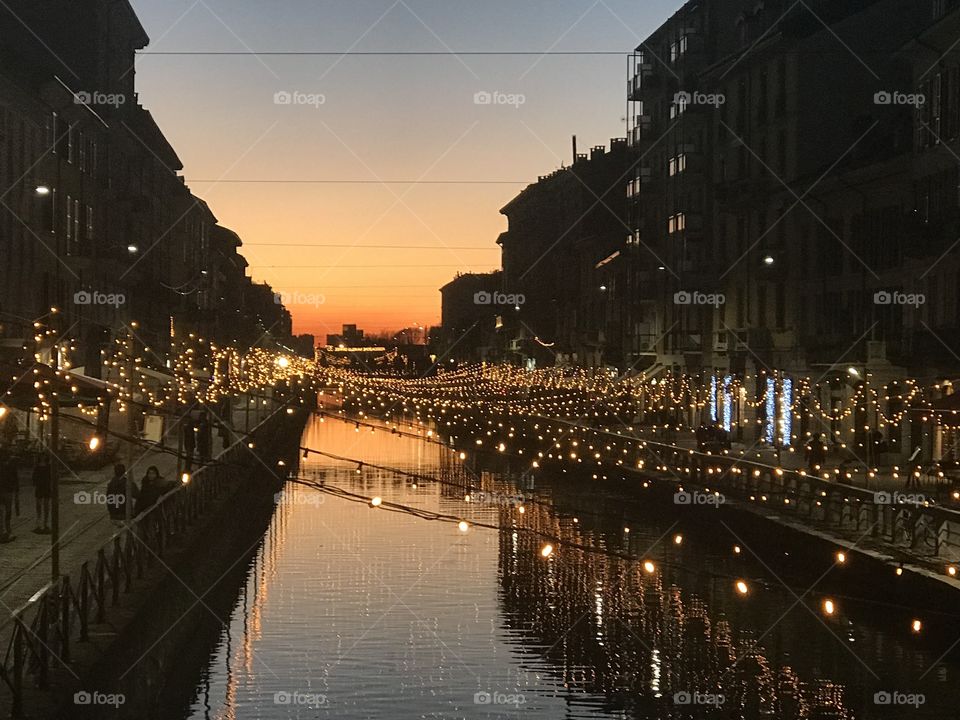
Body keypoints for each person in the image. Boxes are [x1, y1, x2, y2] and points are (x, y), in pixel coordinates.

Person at [0, 449, 20, 543]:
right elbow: (15, 479)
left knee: (5, 512)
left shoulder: (11, 466)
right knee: (6, 512)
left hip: (7, 490)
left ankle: (6, 530)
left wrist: (16, 490)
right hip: (7, 490)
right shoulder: (11, 466)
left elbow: (15, 478)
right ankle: (6, 530)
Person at [32, 453, 53, 534]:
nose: (42, 457)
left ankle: (45, 523)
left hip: (46, 487)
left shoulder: (49, 466)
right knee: (39, 506)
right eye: (41, 456)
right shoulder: (37, 466)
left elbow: (51, 476)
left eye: (44, 455)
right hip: (39, 487)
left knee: (46, 506)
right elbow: (34, 476)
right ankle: (39, 523)